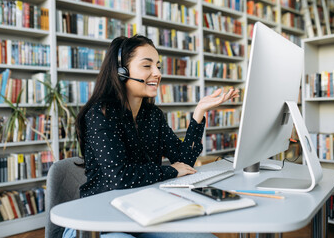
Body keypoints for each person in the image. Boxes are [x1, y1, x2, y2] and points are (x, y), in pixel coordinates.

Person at [64, 35, 238, 238]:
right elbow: (120, 178)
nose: (157, 73)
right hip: (97, 221)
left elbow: (184, 162)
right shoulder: (100, 114)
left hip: (141, 213)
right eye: (147, 66)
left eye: (158, 66)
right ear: (121, 72)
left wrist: (199, 113)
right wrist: (170, 171)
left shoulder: (152, 115)